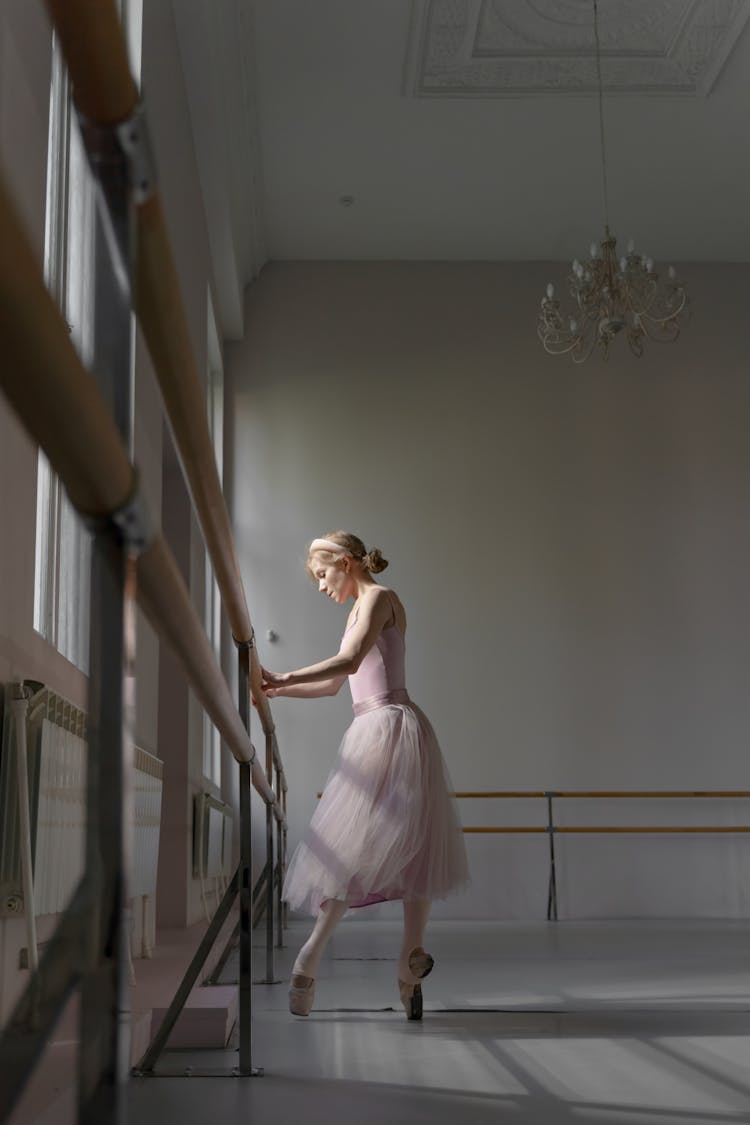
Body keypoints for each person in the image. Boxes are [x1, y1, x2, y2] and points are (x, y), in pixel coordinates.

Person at [261, 532, 469, 1020]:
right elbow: (337, 684)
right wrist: (277, 692)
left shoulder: (379, 598)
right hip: (373, 727)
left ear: (347, 563)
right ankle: (319, 958)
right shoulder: (358, 610)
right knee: (352, 847)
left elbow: (350, 662)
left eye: (322, 575)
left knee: (404, 843)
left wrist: (284, 675)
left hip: (391, 727)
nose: (320, 586)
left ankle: (405, 958)